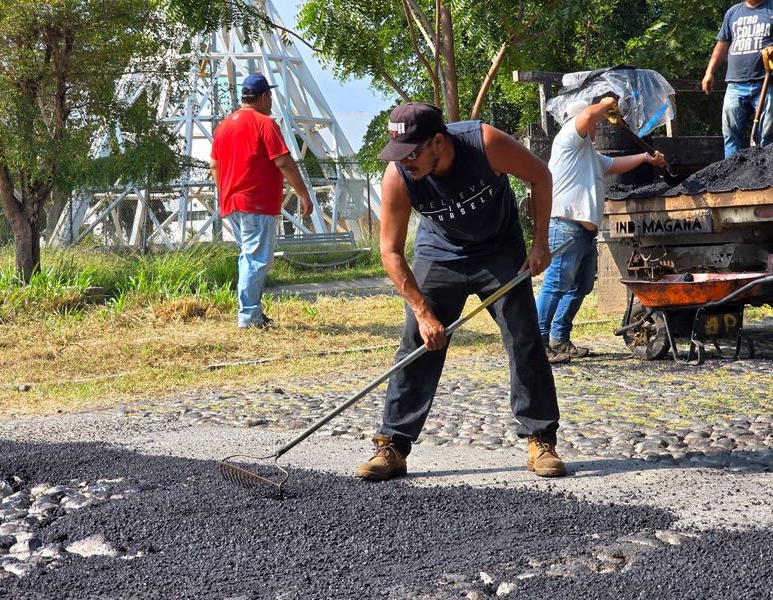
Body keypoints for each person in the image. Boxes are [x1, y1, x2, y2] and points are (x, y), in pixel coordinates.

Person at [355, 102, 567, 482]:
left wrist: (539, 244)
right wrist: (423, 313)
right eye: (399, 155)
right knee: (417, 345)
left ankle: (540, 438)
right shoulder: (398, 177)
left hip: (499, 251)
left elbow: (540, 176)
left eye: (413, 153)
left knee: (524, 337)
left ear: (439, 141)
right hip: (439, 255)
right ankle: (393, 445)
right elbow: (389, 251)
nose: (406, 162)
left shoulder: (485, 143)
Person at [535, 96, 666, 362]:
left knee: (580, 286)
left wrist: (644, 158)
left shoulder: (589, 156)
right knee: (556, 285)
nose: (596, 128)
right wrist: (606, 103)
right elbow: (585, 118)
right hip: (565, 226)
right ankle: (536, 344)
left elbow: (614, 165)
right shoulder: (568, 140)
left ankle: (559, 339)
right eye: (595, 122)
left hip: (583, 233)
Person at [210, 73, 313, 328]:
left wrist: (226, 189)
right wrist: (302, 193)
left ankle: (251, 312)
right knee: (257, 259)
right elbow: (284, 162)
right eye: (271, 96)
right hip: (255, 202)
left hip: (232, 202)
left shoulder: (224, 126)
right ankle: (250, 317)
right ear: (264, 96)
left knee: (248, 257)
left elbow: (214, 164)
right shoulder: (264, 124)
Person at [702, 0, 773, 157]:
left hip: (766, 83)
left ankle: (768, 176)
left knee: (768, 134)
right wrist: (709, 72)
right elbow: (722, 45)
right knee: (731, 134)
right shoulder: (733, 12)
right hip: (735, 84)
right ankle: (731, 176)